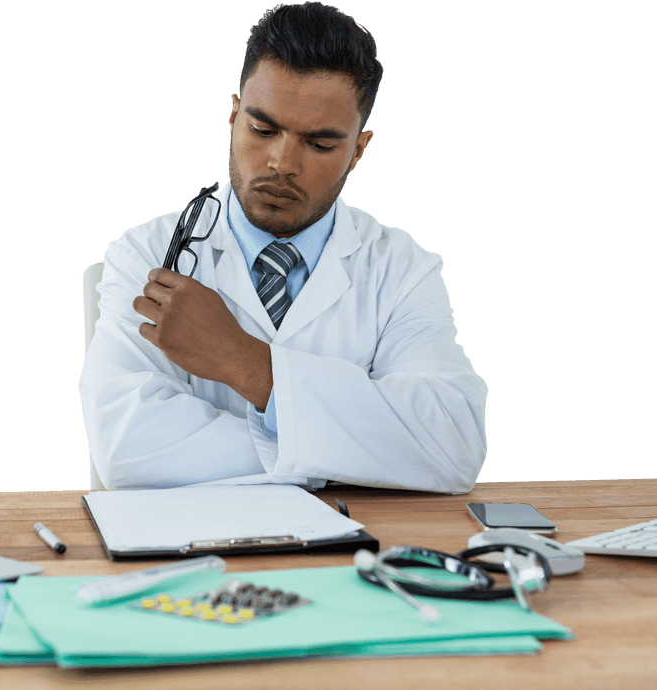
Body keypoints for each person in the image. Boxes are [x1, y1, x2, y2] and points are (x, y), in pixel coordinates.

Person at [79, 2, 487, 492]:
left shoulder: (402, 269)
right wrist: (346, 455)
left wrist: (244, 360)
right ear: (233, 116)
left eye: (320, 144)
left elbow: (451, 445)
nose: (282, 163)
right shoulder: (145, 253)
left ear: (358, 150)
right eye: (263, 129)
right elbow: (127, 449)